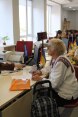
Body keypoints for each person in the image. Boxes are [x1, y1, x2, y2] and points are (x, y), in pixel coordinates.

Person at [32, 38, 78, 106]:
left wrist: (40, 79)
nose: (47, 49)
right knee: (41, 91)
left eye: (49, 47)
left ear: (54, 50)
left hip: (66, 96)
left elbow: (54, 84)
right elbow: (50, 68)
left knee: (39, 96)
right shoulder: (57, 58)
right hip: (65, 91)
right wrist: (40, 72)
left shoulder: (61, 62)